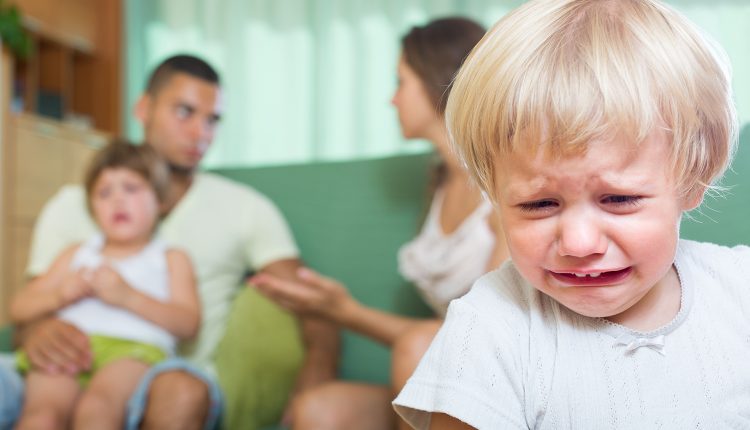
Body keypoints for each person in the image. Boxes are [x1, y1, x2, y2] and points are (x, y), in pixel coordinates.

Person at [392, 0, 748, 428]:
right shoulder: (488, 324)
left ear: (693, 180)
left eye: (618, 199)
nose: (579, 244)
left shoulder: (739, 289)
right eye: (539, 204)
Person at [0, 55, 338, 430]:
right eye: (184, 112)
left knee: (176, 391)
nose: (200, 133)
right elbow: (24, 315)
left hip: (158, 367)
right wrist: (40, 332)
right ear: (144, 108)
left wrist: (313, 385)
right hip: (60, 368)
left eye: (212, 120)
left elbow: (316, 306)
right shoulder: (70, 204)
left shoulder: (246, 209)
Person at [251, 17, 508, 430]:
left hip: (492, 382)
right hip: (434, 370)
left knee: (416, 346)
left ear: (436, 80)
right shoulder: (440, 181)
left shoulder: (504, 189)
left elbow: (487, 339)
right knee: (320, 408)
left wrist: (345, 312)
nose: (393, 100)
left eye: (400, 82)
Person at [11, 140, 200, 429]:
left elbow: (188, 323)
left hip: (133, 351)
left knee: (97, 410)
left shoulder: (170, 257)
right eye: (104, 192)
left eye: (132, 188)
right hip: (68, 348)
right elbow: (19, 307)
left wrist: (129, 298)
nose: (118, 200)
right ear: (92, 208)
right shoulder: (76, 254)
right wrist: (59, 296)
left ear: (160, 200)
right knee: (41, 416)